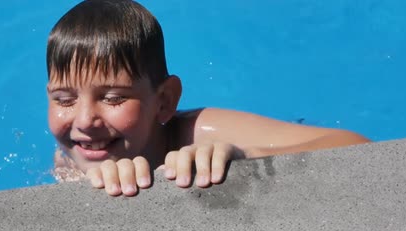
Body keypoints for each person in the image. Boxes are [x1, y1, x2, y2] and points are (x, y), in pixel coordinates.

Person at [46, 0, 370, 196]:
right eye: (64, 100)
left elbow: (356, 146)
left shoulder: (198, 131)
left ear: (164, 101)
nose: (85, 120)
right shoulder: (75, 154)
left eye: (114, 98)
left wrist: (242, 157)